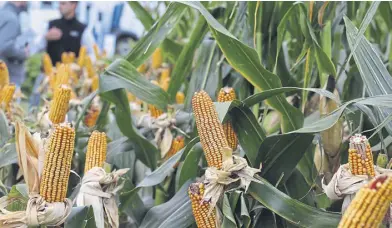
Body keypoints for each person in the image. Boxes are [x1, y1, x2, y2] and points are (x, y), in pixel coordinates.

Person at [0, 1, 29, 88]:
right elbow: (4, 47)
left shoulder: (3, 13)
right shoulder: (12, 18)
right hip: (6, 77)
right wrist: (23, 53)